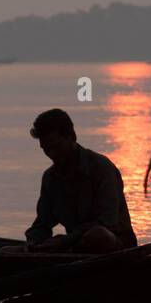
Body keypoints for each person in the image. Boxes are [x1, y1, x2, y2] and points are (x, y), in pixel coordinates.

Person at [23, 108, 137, 253]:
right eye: (46, 149)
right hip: (72, 248)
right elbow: (42, 224)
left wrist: (64, 241)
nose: (52, 154)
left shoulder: (101, 168)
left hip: (117, 248)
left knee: (98, 235)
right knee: (8, 250)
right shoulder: (50, 178)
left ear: (72, 137)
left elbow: (108, 222)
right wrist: (33, 243)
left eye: (56, 147)